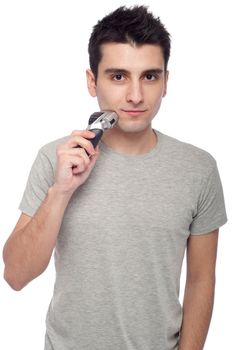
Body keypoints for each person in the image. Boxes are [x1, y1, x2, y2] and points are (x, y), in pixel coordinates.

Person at [2, 5, 227, 350]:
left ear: (166, 81)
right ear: (92, 82)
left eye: (150, 76)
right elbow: (16, 275)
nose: (136, 96)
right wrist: (61, 191)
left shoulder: (198, 168)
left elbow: (201, 280)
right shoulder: (55, 158)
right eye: (118, 76)